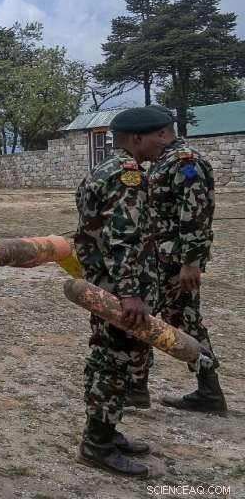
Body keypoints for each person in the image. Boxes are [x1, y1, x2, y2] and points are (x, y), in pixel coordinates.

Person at [73, 107, 174, 477]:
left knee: (111, 358)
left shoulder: (104, 170)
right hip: (118, 291)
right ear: (135, 139)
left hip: (106, 284)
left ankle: (107, 430)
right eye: (156, 136)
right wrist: (129, 293)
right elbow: (124, 238)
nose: (163, 141)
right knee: (112, 361)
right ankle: (97, 443)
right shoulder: (125, 175)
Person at [126, 105, 226, 413]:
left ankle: (209, 390)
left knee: (186, 321)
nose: (135, 146)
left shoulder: (186, 163)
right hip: (157, 260)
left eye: (138, 139)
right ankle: (137, 387)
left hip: (174, 263)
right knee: (145, 319)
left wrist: (191, 262)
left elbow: (194, 216)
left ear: (161, 133)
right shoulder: (162, 163)